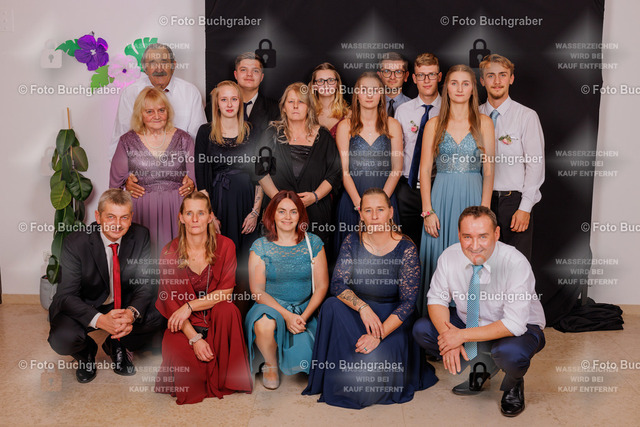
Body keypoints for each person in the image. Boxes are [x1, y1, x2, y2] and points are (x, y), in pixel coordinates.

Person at [303, 188, 437, 408]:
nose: (374, 216)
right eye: (368, 210)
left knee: (368, 376)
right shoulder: (352, 241)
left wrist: (378, 334)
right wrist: (363, 308)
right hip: (360, 313)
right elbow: (338, 284)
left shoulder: (406, 248)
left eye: (380, 209)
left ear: (390, 212)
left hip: (393, 318)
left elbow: (408, 303)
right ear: (361, 214)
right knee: (331, 306)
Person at [412, 206, 545, 417]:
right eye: (467, 237)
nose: (475, 246)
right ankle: (483, 366)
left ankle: (513, 383)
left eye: (483, 236)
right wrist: (448, 337)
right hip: (471, 323)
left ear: (496, 234)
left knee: (510, 354)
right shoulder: (449, 256)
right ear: (459, 235)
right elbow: (437, 299)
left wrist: (460, 336)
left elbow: (514, 324)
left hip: (519, 329)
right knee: (423, 329)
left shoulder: (515, 262)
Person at [48, 189, 164, 383]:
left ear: (131, 218)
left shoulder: (140, 235)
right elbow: (66, 296)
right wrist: (101, 320)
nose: (117, 224)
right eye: (110, 216)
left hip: (122, 303)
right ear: (98, 216)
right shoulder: (75, 242)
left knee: (160, 313)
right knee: (62, 338)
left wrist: (131, 313)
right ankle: (86, 354)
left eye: (124, 217)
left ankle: (117, 345)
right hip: (86, 303)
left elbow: (145, 284)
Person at [155, 191, 253, 404]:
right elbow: (171, 304)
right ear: (181, 217)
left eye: (201, 213)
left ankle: (228, 377)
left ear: (210, 217)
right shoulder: (169, 252)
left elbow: (226, 292)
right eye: (189, 213)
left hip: (216, 318)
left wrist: (189, 306)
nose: (195, 219)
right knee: (185, 372)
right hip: (185, 324)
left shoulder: (226, 245)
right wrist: (194, 338)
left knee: (228, 309)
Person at [417, 64, 495, 316]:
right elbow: (424, 170)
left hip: (473, 197)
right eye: (454, 83)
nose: (459, 88)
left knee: (472, 257)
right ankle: (435, 323)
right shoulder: (433, 124)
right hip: (441, 199)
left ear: (473, 89)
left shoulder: (484, 123)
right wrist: (427, 211)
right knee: (438, 256)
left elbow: (489, 171)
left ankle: (470, 322)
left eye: (465, 83)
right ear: (446, 88)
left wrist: (485, 212)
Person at [245, 191, 328, 389]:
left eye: (293, 211)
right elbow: (257, 291)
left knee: (306, 365)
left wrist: (302, 317)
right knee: (264, 324)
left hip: (303, 309)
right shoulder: (260, 246)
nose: (287, 217)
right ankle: (271, 365)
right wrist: (287, 316)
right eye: (281, 211)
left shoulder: (313, 243)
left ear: (300, 215)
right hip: (269, 307)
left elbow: (322, 285)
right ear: (272, 214)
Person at [195, 80, 263, 315]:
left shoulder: (253, 131)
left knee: (246, 261)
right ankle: (219, 314)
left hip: (247, 203)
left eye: (234, 99)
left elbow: (261, 177)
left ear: (241, 102)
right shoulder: (205, 132)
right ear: (217, 103)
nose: (229, 104)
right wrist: (209, 216)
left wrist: (255, 212)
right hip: (218, 203)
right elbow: (202, 179)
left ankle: (244, 315)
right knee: (220, 258)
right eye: (224, 99)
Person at [110, 87, 197, 257]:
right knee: (143, 262)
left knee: (176, 262)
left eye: (161, 110)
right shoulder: (126, 141)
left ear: (168, 112)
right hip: (141, 212)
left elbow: (194, 181)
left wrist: (192, 183)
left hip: (176, 210)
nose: (156, 116)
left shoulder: (184, 139)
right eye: (149, 111)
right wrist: (126, 183)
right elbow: (114, 187)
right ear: (140, 114)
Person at [257, 82, 342, 251]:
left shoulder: (323, 136)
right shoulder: (271, 134)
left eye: (301, 102)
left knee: (314, 259)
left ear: (309, 107)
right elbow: (260, 171)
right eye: (291, 102)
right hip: (278, 213)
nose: (295, 106)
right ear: (284, 107)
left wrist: (315, 196)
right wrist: (280, 201)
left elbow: (335, 173)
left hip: (315, 212)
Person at [479, 54, 545, 261]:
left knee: (515, 265)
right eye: (490, 76)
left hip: (513, 203)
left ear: (511, 79)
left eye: (503, 75)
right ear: (482, 81)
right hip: (481, 200)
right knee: (482, 263)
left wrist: (525, 208)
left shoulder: (526, 116)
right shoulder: (474, 116)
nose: (497, 81)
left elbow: (535, 165)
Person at [334, 72, 403, 255]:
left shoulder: (392, 125)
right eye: (364, 90)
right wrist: (361, 207)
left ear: (381, 94)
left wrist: (380, 206)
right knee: (352, 256)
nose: (369, 95)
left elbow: (397, 169)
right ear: (357, 94)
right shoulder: (345, 126)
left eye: (374, 90)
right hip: (353, 200)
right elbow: (344, 172)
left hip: (385, 196)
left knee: (384, 254)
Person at [111, 43, 206, 159]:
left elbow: (199, 139)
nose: (159, 68)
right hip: (140, 165)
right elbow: (120, 138)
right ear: (145, 68)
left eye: (164, 62)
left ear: (173, 65)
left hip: (181, 164)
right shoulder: (130, 93)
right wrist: (121, 169)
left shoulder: (190, 92)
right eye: (152, 63)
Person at [394, 53, 442, 250]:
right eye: (421, 75)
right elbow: (397, 151)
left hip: (437, 187)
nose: (426, 80)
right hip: (407, 187)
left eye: (431, 75)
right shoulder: (403, 111)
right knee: (408, 245)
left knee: (436, 242)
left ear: (439, 77)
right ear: (414, 78)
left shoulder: (449, 110)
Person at [233, 52, 280, 144]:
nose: (249, 74)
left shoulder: (276, 109)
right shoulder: (216, 107)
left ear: (261, 77)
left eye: (255, 71)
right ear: (236, 75)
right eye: (243, 70)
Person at [309, 62, 350, 138]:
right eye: (320, 81)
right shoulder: (307, 115)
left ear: (337, 84)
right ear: (314, 86)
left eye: (330, 80)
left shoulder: (349, 115)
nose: (326, 85)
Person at [378, 52, 411, 118]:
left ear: (406, 76)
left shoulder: (414, 107)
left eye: (398, 72)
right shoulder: (370, 105)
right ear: (379, 75)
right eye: (387, 71)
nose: (392, 77)